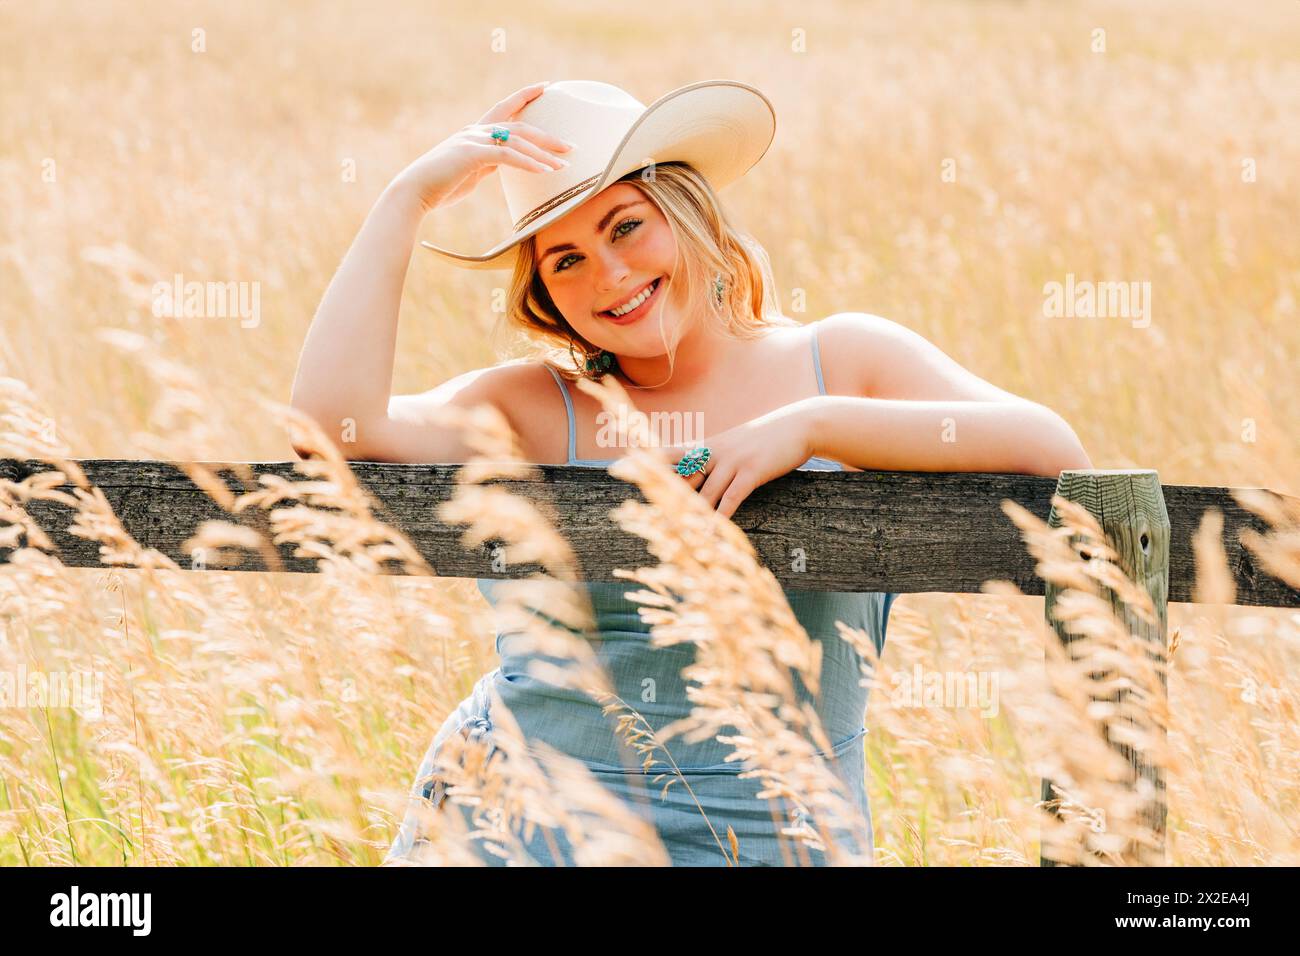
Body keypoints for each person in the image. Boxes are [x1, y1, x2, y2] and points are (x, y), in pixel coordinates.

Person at [290, 79, 1092, 866]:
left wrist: (810, 427)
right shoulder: (538, 406)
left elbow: (1054, 455)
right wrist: (405, 199)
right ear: (546, 297)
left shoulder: (840, 361)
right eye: (565, 260)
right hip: (519, 824)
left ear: (687, 212)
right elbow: (333, 425)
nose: (608, 273)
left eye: (626, 227)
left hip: (774, 836)